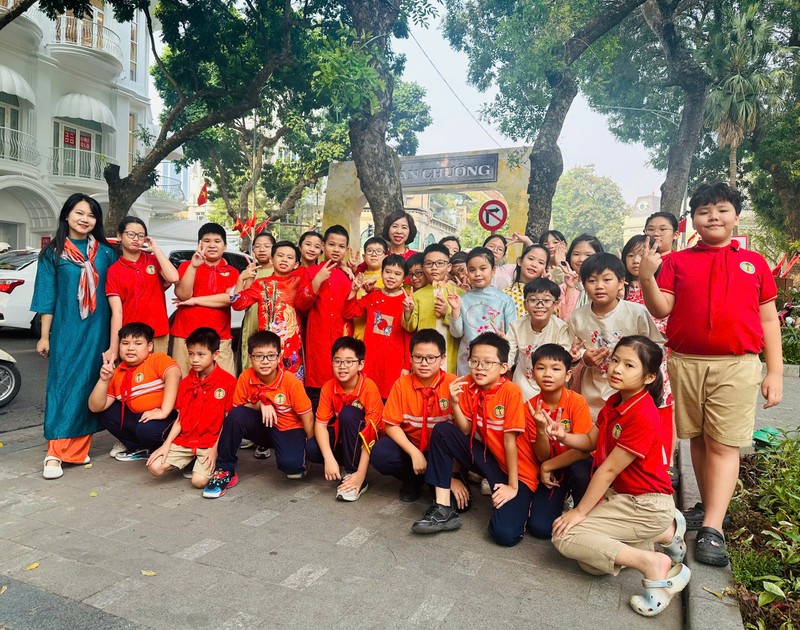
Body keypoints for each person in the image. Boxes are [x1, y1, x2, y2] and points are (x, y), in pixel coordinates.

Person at [639, 181, 782, 567]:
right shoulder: (678, 262)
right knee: (699, 441)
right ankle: (710, 506)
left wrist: (776, 373)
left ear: (736, 216)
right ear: (693, 221)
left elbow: (769, 320)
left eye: (721, 209)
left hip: (737, 364)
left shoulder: (755, 263)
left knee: (724, 444)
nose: (713, 217)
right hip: (685, 361)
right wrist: (648, 277)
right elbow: (662, 308)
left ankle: (713, 528)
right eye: (704, 211)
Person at [549, 336, 689, 618]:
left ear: (649, 377)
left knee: (567, 536)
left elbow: (609, 469)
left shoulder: (642, 414)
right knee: (592, 564)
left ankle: (653, 562)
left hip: (644, 504)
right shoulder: (616, 400)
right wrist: (562, 435)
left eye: (628, 365)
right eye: (614, 360)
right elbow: (591, 440)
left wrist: (578, 512)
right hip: (628, 499)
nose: (617, 369)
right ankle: (664, 533)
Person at [412, 332, 539, 547]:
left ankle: (525, 501)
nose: (479, 367)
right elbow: (465, 429)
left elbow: (510, 442)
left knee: (504, 535)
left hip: (516, 470)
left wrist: (513, 487)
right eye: (475, 361)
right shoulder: (468, 385)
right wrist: (454, 402)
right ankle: (443, 508)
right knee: (443, 430)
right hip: (488, 459)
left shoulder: (511, 391)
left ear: (503, 367)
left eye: (488, 362)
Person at [33, 193, 118, 479]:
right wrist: (45, 336)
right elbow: (47, 298)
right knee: (62, 384)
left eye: (91, 215)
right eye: (79, 213)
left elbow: (118, 293)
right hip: (67, 331)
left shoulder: (106, 253)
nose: (85, 219)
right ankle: (54, 453)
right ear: (66, 215)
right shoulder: (53, 253)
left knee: (89, 385)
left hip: (98, 331)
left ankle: (77, 451)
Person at [203, 331, 313, 498]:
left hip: (288, 429)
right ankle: (225, 470)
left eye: (270, 356)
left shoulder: (291, 382)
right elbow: (235, 413)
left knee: (292, 468)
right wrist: (261, 404)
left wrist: (312, 448)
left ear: (278, 357)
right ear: (251, 358)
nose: (265, 361)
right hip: (263, 428)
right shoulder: (246, 377)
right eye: (259, 356)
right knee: (237, 415)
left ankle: (300, 456)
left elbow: (308, 417)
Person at [370, 330, 464, 504]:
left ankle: (435, 478)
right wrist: (414, 453)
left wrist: (452, 475)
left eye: (431, 358)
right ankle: (414, 478)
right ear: (411, 358)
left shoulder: (454, 384)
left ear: (442, 359)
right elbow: (391, 425)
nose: (424, 363)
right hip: (412, 447)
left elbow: (462, 433)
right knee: (381, 454)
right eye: (418, 357)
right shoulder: (401, 384)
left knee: (455, 504)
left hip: (443, 455)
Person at [568, 252, 663, 417]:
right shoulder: (577, 317)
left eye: (607, 279)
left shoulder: (636, 313)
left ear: (621, 283)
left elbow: (656, 346)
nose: (599, 286)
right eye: (592, 280)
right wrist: (584, 358)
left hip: (630, 393)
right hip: (592, 396)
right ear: (583, 284)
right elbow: (570, 350)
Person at [145, 327, 237, 488]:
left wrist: (215, 449)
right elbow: (180, 419)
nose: (195, 359)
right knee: (155, 467)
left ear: (215, 355)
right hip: (186, 441)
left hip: (210, 442)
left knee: (198, 482)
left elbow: (227, 421)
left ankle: (223, 468)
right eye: (191, 354)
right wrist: (165, 445)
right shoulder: (186, 383)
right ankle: (191, 461)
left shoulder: (228, 382)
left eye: (201, 355)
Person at [623, 235, 677, 486]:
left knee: (661, 412)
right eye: (632, 255)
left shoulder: (662, 288)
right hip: (627, 363)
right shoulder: (619, 288)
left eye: (643, 255)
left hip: (659, 362)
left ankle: (665, 467)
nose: (637, 261)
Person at [525, 344, 592, 538]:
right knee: (541, 529)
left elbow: (584, 450)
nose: (547, 374)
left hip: (576, 464)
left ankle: (582, 509)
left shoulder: (577, 402)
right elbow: (541, 455)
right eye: (541, 368)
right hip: (552, 471)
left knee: (582, 471)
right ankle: (562, 498)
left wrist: (547, 466)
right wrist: (540, 430)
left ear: (568, 374)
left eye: (555, 369)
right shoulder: (529, 408)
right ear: (532, 373)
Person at [305, 337, 384, 501]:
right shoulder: (329, 387)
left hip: (366, 442)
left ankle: (353, 473)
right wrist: (329, 459)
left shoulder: (369, 388)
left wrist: (360, 474)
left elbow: (371, 434)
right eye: (338, 361)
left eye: (349, 362)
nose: (342, 366)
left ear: (360, 364)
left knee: (349, 413)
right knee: (313, 449)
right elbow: (320, 425)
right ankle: (339, 465)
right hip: (343, 437)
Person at [89, 322, 181, 461]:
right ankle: (141, 448)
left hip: (168, 417)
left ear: (149, 346)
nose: (131, 348)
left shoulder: (156, 359)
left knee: (147, 430)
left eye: (138, 343)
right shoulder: (117, 372)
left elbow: (174, 374)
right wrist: (103, 380)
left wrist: (164, 411)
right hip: (142, 418)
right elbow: (95, 407)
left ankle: (172, 448)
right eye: (125, 343)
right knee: (106, 413)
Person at [230, 241, 315, 380]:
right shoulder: (260, 283)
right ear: (271, 259)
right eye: (280, 255)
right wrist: (241, 279)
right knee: (266, 384)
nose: (284, 260)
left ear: (296, 264)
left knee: (292, 386)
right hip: (266, 346)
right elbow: (238, 304)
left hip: (292, 346)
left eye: (290, 257)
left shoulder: (299, 281)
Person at [170, 223, 239, 376]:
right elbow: (182, 295)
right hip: (185, 335)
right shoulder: (187, 266)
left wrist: (195, 300)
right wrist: (194, 267)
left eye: (217, 241)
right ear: (199, 244)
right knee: (184, 383)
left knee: (224, 384)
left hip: (220, 338)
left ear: (225, 246)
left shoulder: (232, 272)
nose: (212, 245)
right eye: (207, 241)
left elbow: (230, 299)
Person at [106, 216, 178, 356]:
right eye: (131, 234)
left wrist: (155, 248)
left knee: (158, 375)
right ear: (119, 236)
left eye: (140, 235)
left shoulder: (153, 260)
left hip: (158, 333)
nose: (136, 239)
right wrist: (113, 347)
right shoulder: (114, 271)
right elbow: (117, 312)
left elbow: (174, 277)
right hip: (131, 337)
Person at [343, 254, 410, 398]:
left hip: (394, 362)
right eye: (388, 272)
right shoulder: (374, 296)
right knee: (368, 397)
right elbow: (349, 313)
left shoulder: (407, 302)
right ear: (381, 273)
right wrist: (354, 291)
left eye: (397, 274)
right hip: (371, 360)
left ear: (404, 278)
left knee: (390, 400)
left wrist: (407, 366)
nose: (391, 277)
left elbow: (409, 336)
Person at [304, 225, 355, 408]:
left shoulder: (348, 276)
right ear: (323, 246)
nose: (336, 249)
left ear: (346, 250)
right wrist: (317, 280)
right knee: (318, 388)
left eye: (341, 246)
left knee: (343, 385)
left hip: (342, 336)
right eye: (332, 244)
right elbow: (302, 304)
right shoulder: (310, 272)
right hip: (318, 338)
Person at [447, 247, 517, 375]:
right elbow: (456, 333)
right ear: (467, 272)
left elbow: (511, 336)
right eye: (472, 270)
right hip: (467, 364)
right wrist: (455, 310)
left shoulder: (505, 300)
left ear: (493, 270)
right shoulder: (462, 299)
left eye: (483, 269)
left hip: (494, 364)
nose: (477, 274)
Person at [507, 278, 571, 400]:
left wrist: (573, 357)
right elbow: (508, 354)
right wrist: (500, 352)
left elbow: (565, 356)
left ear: (556, 304)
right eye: (533, 300)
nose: (540, 305)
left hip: (552, 385)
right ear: (525, 304)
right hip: (522, 386)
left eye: (546, 300)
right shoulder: (516, 326)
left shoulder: (561, 328)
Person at [402, 243, 460, 373]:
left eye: (440, 263)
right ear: (423, 267)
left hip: (450, 353)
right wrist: (408, 311)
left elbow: (461, 328)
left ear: (449, 266)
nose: (434, 268)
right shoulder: (417, 295)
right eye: (429, 264)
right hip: (423, 355)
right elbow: (410, 327)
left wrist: (447, 312)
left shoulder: (458, 293)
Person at [237, 231, 275, 370]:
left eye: (266, 246)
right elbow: (244, 300)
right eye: (257, 246)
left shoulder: (279, 271)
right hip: (252, 319)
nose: (262, 249)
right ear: (253, 251)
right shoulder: (249, 272)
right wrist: (249, 276)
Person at [557, 234, 604, 322]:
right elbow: (563, 318)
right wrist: (570, 288)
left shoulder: (604, 286)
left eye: (588, 255)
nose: (581, 259)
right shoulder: (563, 288)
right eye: (576, 254)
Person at [351, 236, 387, 340]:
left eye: (379, 251)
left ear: (385, 256)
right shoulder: (357, 277)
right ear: (364, 256)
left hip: (375, 334)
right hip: (354, 332)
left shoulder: (388, 280)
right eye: (370, 251)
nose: (374, 254)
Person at [503, 243, 550, 317]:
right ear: (520, 261)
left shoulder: (549, 295)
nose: (534, 265)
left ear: (546, 269)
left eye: (541, 262)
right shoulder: (505, 294)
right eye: (531, 259)